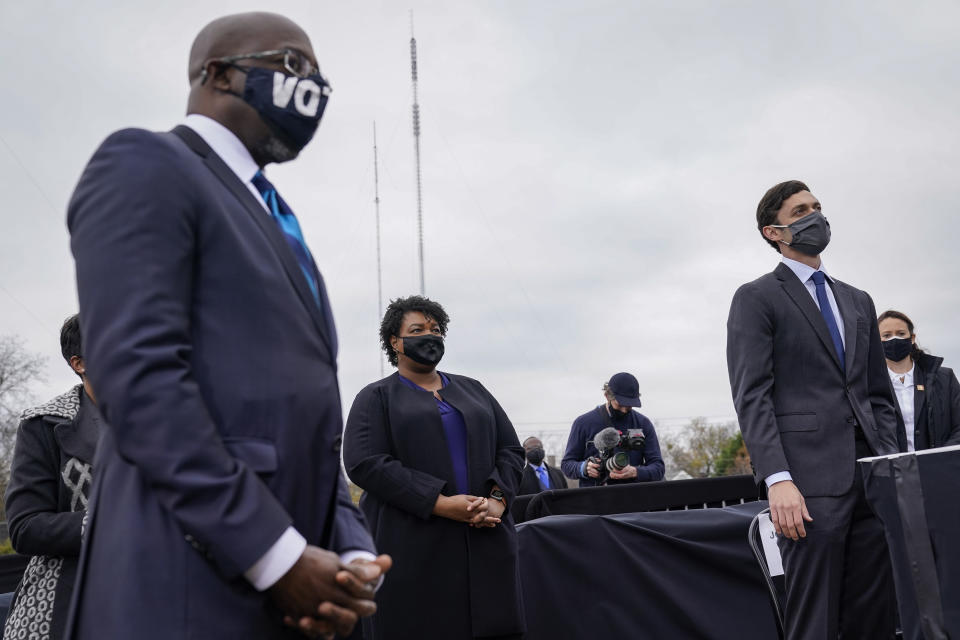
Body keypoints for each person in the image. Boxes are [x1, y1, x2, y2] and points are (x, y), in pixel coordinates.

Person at [66, 12, 389, 639]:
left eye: (322, 75)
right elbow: (140, 380)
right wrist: (277, 554)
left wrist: (348, 549)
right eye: (294, 65)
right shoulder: (146, 163)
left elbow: (305, 427)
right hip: (186, 587)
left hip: (301, 592)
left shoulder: (274, 214)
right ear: (216, 73)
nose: (313, 87)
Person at [727, 180, 899, 640]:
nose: (815, 216)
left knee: (875, 614)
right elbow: (752, 395)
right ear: (774, 232)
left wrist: (889, 461)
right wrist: (778, 479)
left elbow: (877, 394)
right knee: (815, 618)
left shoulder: (857, 300)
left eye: (817, 206)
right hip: (807, 485)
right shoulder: (756, 297)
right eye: (801, 210)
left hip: (871, 478)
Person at [343, 295, 526, 640]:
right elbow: (365, 463)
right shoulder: (376, 397)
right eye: (417, 329)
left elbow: (511, 451)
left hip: (486, 536)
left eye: (436, 329)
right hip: (413, 546)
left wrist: (496, 501)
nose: (430, 335)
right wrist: (440, 503)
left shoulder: (475, 391)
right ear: (395, 341)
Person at [3, 315, 101, 640]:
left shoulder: (167, 421)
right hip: (67, 600)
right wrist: (108, 523)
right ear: (79, 363)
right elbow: (25, 527)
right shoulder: (42, 425)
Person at [560, 372, 664, 487]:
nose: (624, 410)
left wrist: (635, 472)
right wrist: (584, 468)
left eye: (629, 405)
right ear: (607, 396)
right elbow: (567, 465)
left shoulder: (644, 423)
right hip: (594, 500)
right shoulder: (583, 423)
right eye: (620, 404)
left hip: (634, 499)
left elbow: (658, 468)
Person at [878, 309, 960, 451]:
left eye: (901, 333)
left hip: (940, 468)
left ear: (912, 338)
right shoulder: (869, 384)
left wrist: (939, 458)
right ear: (876, 341)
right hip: (893, 470)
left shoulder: (945, 378)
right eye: (887, 335)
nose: (894, 339)